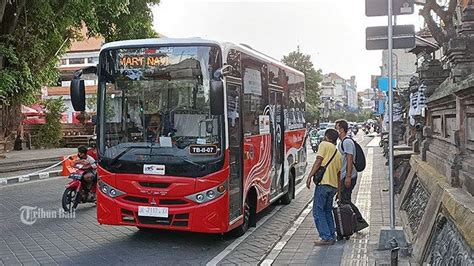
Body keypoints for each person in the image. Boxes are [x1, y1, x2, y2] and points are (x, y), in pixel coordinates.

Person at [306, 128, 342, 245]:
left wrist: (310, 176)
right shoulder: (338, 154)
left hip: (323, 184)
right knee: (327, 210)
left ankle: (325, 236)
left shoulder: (324, 145)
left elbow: (318, 161)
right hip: (333, 187)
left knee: (318, 211)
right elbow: (339, 174)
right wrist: (339, 192)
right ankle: (332, 235)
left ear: (327, 137)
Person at [335, 119, 369, 231]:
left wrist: (348, 177)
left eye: (336, 127)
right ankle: (352, 224)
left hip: (348, 176)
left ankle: (359, 221)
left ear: (341, 129)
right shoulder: (342, 142)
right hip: (344, 176)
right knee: (344, 200)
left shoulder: (347, 142)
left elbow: (350, 159)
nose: (335, 130)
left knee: (345, 201)